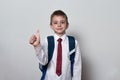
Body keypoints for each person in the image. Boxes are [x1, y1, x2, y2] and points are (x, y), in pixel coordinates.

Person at [29, 10, 82, 80]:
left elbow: (77, 67)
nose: (59, 25)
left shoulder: (73, 42)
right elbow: (43, 61)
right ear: (51, 26)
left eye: (62, 22)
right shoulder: (48, 41)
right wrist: (37, 46)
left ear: (67, 25)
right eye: (55, 23)